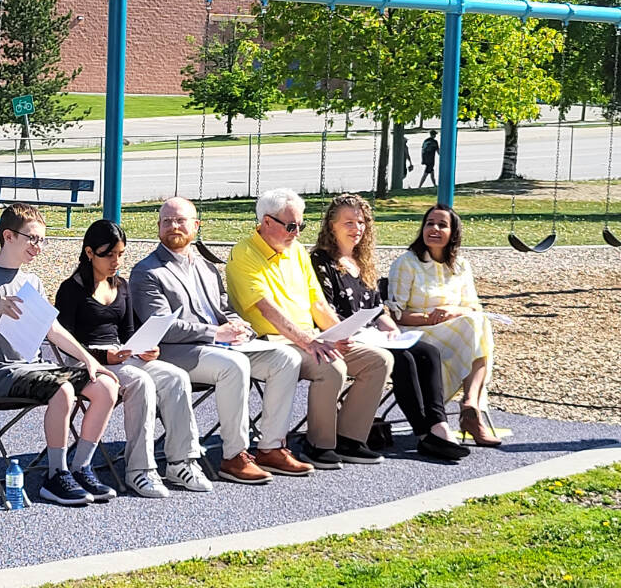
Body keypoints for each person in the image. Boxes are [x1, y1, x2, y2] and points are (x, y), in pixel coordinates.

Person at [130, 197, 312, 485]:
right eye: (167, 221)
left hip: (220, 347)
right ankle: (234, 456)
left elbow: (225, 311)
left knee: (286, 358)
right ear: (158, 227)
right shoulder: (147, 271)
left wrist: (242, 328)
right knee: (234, 364)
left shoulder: (206, 267)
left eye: (180, 220)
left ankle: (271, 447)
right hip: (176, 352)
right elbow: (163, 327)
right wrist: (216, 333)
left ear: (196, 226)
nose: (173, 226)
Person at [0, 204, 120, 506]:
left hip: (34, 368)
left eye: (42, 240)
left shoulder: (32, 282)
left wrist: (88, 359)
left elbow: (52, 329)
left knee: (106, 386)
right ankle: (54, 475)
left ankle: (81, 467)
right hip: (0, 373)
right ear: (8, 236)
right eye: (32, 239)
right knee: (63, 389)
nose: (39, 246)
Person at [226, 188, 393, 470]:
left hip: (310, 339)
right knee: (332, 367)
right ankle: (319, 445)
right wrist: (310, 341)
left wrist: (342, 335)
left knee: (379, 360)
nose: (297, 233)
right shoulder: (244, 253)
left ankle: (350, 439)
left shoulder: (298, 253)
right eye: (291, 226)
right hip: (272, 344)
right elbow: (268, 311)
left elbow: (318, 304)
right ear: (267, 222)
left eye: (300, 225)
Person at [310, 194, 469, 462]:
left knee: (427, 352)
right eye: (348, 222)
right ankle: (424, 435)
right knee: (404, 360)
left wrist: (389, 327)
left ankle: (438, 425)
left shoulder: (362, 261)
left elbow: (377, 306)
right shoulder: (321, 261)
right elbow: (323, 308)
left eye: (361, 222)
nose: (357, 228)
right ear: (331, 225)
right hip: (343, 335)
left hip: (373, 333)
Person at [55, 220, 202, 498]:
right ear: (89, 253)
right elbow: (66, 343)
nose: (115, 261)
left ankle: (182, 461)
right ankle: (140, 470)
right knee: (140, 381)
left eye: (120, 254)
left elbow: (129, 332)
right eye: (108, 254)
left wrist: (147, 348)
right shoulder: (71, 290)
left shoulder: (121, 286)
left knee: (176, 376)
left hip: (122, 356)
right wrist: (102, 356)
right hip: (86, 362)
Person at [388, 205, 501, 447]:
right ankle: (473, 411)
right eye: (430, 223)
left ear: (453, 232)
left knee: (479, 323)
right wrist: (431, 318)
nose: (434, 229)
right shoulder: (406, 263)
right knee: (476, 329)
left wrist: (453, 311)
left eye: (442, 225)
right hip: (416, 331)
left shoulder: (461, 266)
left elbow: (473, 307)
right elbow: (397, 315)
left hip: (457, 331)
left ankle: (471, 404)